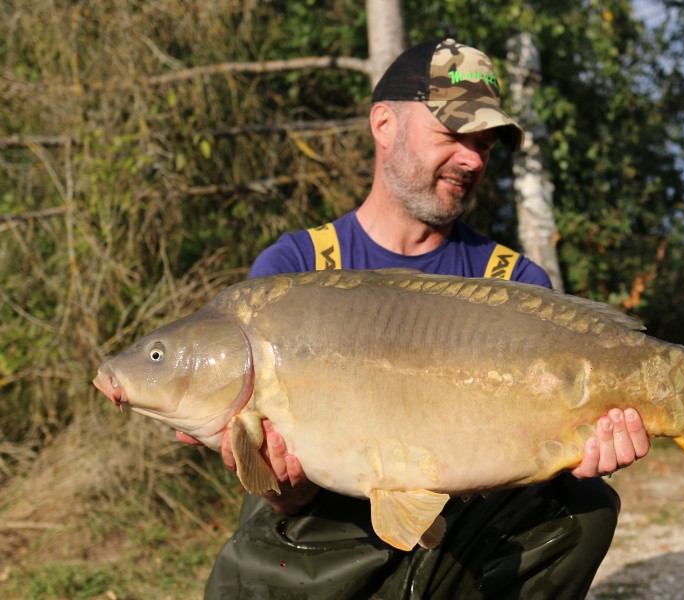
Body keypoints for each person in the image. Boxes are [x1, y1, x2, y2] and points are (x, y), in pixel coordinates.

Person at [182, 39, 650, 599]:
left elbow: (544, 458)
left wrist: (592, 448)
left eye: (484, 145)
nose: (474, 160)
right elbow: (281, 495)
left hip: (459, 535)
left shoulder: (514, 283)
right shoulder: (292, 272)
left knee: (584, 506)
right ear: (384, 124)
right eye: (454, 135)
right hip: (324, 542)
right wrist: (281, 485)